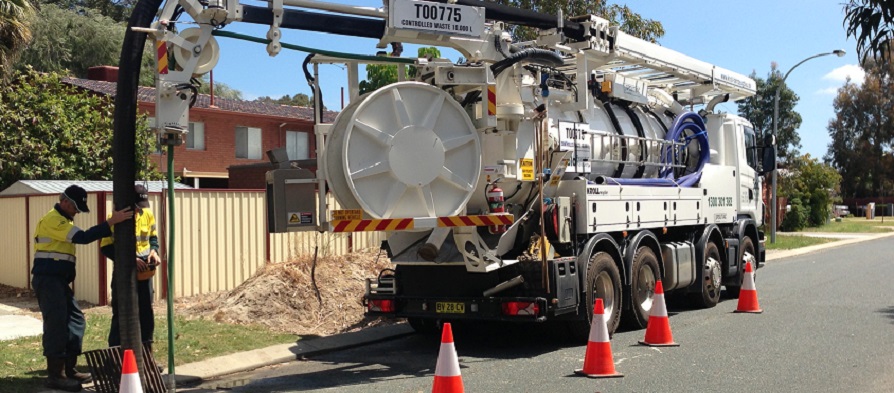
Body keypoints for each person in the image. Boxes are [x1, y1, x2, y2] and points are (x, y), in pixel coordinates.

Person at [31, 185, 133, 392]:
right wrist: (111, 222)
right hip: (48, 280)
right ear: (64, 201)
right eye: (75, 208)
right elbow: (83, 237)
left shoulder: (64, 219)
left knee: (76, 320)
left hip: (58, 281)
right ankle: (55, 375)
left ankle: (68, 368)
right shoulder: (54, 220)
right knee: (57, 325)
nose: (77, 212)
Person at [101, 184, 160, 351]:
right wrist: (130, 260)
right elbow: (106, 247)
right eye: (136, 207)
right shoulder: (115, 218)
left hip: (144, 273)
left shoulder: (147, 214)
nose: (139, 210)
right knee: (122, 313)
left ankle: (146, 355)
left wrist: (154, 251)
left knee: (146, 314)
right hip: (124, 273)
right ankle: (116, 356)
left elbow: (153, 237)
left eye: (141, 207)